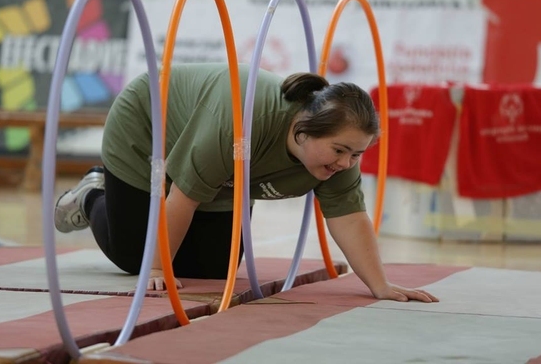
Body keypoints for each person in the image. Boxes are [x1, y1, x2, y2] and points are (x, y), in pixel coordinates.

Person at [55, 62, 438, 303]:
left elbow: (350, 216)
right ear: (303, 129)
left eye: (357, 155)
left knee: (217, 267)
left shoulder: (341, 146)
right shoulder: (244, 121)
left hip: (222, 173)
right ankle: (93, 195)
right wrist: (156, 270)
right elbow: (183, 195)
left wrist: (380, 285)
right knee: (136, 256)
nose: (347, 163)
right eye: (341, 151)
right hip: (149, 131)